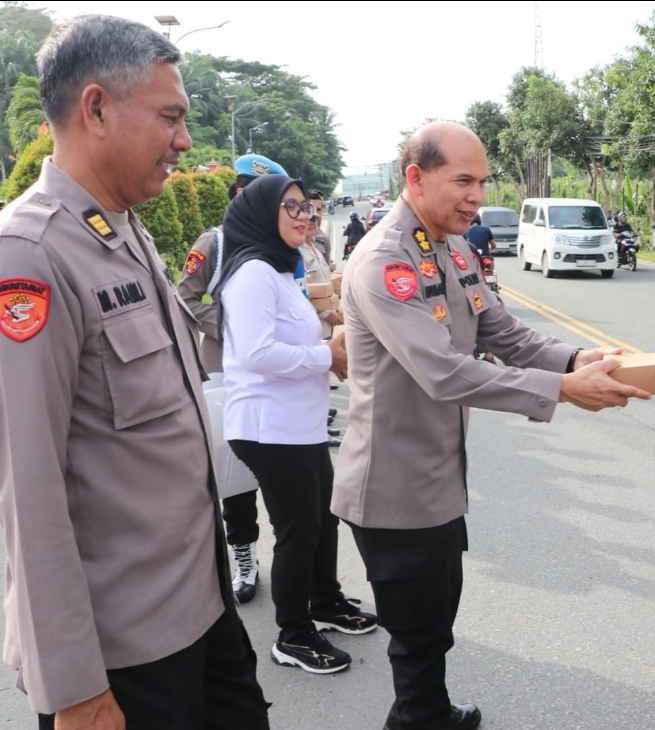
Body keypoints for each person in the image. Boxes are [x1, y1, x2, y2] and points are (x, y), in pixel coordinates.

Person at [334, 121, 651, 730]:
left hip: (438, 479)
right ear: (416, 177)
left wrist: (577, 358)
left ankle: (429, 712)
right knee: (416, 636)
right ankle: (417, 719)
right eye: (463, 181)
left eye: (481, 181)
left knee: (435, 624)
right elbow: (443, 372)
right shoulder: (383, 261)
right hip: (393, 489)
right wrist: (562, 389)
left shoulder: (451, 247)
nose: (477, 196)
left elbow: (502, 332)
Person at [0, 14, 270, 727]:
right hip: (125, 655)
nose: (185, 141)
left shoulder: (123, 228)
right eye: (170, 117)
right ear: (95, 109)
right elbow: (28, 489)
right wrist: (75, 689)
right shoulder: (31, 254)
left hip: (201, 605)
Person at [217, 174, 378, 676]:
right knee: (298, 531)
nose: (303, 215)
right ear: (261, 214)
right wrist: (326, 355)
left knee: (323, 518)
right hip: (268, 426)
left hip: (299, 423)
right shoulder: (253, 274)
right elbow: (257, 353)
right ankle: (293, 634)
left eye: (306, 207)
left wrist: (328, 344)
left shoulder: (278, 268)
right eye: (290, 206)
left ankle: (324, 602)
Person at [177, 152, 288, 605]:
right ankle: (243, 556)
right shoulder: (216, 243)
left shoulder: (283, 243)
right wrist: (229, 325)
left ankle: (297, 565)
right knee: (236, 478)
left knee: (287, 473)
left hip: (280, 375)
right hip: (229, 373)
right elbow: (184, 298)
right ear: (240, 194)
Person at [302, 208, 346, 446]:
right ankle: (317, 430)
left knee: (320, 379)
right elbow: (305, 293)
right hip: (315, 320)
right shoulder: (297, 252)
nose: (311, 223)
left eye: (315, 220)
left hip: (326, 322)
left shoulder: (315, 249)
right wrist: (328, 313)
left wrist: (335, 309)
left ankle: (321, 426)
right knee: (311, 381)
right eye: (308, 220)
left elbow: (326, 286)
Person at [308, 188, 333, 265]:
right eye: (311, 209)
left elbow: (327, 267)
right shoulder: (294, 238)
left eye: (318, 210)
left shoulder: (324, 239)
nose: (315, 214)